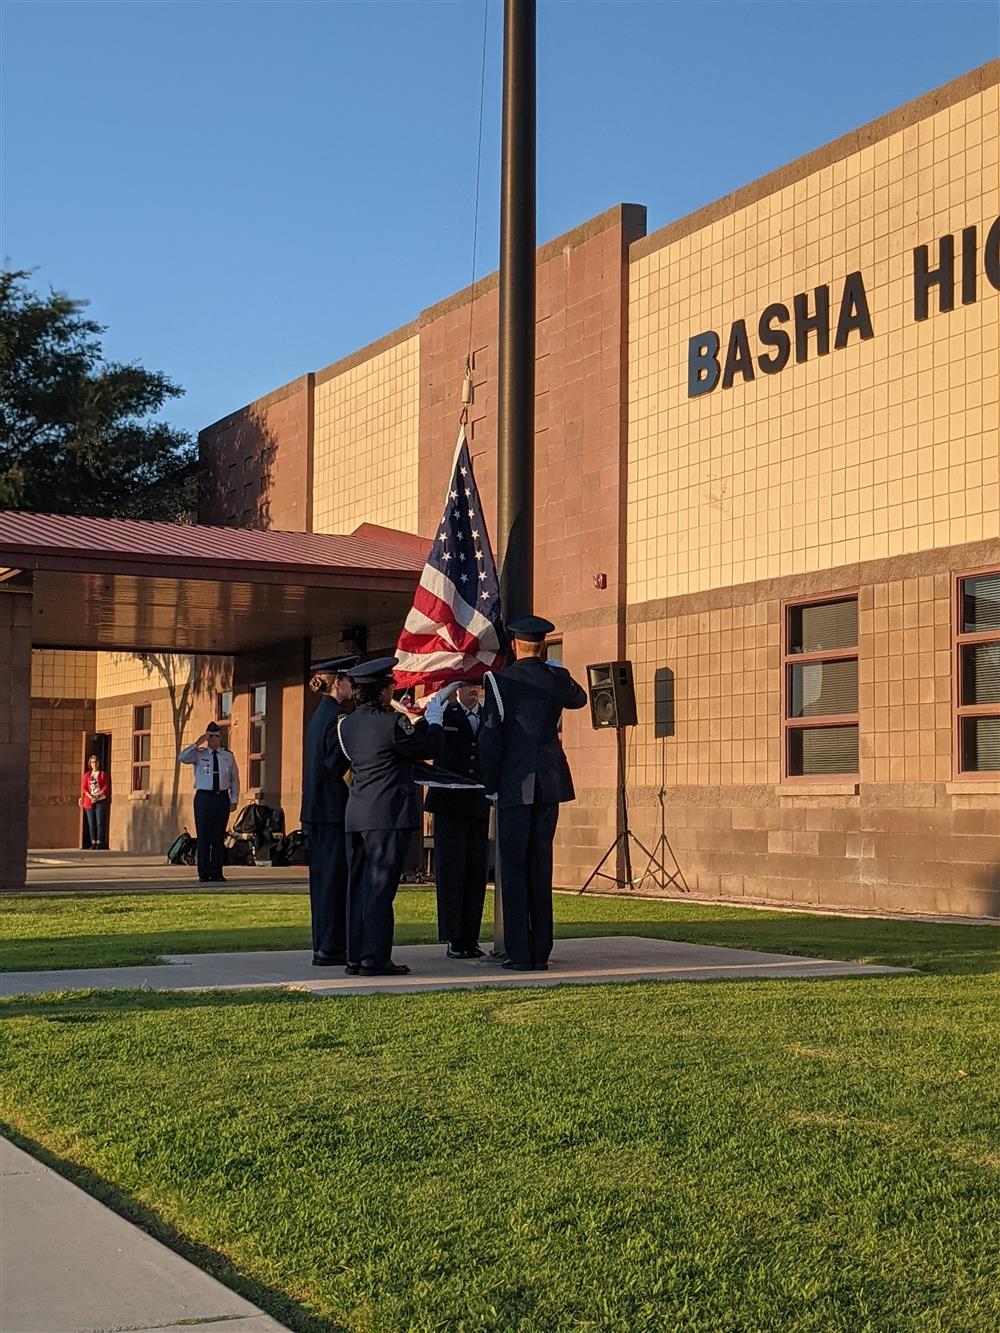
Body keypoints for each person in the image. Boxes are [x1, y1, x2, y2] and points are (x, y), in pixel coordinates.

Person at [478, 616, 588, 971]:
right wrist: (557, 670)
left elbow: (492, 736)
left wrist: (490, 783)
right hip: (550, 781)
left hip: (514, 781)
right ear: (542, 646)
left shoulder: (499, 680)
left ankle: (520, 952)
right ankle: (540, 949)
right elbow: (580, 699)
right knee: (540, 865)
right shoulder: (555, 678)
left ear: (514, 645)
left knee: (513, 866)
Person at [336, 658, 455, 976]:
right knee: (380, 888)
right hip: (387, 815)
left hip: (358, 813)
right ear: (381, 691)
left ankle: (355, 956)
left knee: (359, 887)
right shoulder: (391, 723)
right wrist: (434, 720)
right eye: (390, 685)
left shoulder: (346, 724)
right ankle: (375, 958)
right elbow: (424, 747)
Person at [424, 681, 490, 959]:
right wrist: (433, 713)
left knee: (476, 873)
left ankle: (470, 936)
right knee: (453, 872)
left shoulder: (487, 716)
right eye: (466, 685)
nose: (472, 689)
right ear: (456, 689)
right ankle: (454, 937)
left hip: (477, 802)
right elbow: (430, 747)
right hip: (449, 803)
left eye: (476, 684)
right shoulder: (444, 715)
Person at [300, 654, 357, 966]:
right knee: (333, 882)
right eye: (348, 680)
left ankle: (324, 944)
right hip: (332, 810)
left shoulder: (320, 715)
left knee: (323, 882)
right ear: (338, 682)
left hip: (318, 810)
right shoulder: (337, 719)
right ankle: (331, 946)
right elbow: (338, 764)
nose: (351, 686)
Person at [178, 722, 240, 884]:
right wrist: (197, 743)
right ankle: (204, 873)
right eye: (210, 736)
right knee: (204, 836)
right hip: (204, 798)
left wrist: (234, 800)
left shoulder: (228, 755)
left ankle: (217, 871)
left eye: (216, 736)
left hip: (221, 798)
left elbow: (234, 779)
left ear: (221, 737)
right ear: (206, 737)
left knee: (218, 837)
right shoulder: (199, 754)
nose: (213, 739)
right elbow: (182, 757)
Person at [79, 753, 110, 849]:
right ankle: (93, 842)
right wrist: (90, 796)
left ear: (98, 763)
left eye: (96, 762)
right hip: (89, 800)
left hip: (101, 800)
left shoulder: (103, 774)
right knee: (91, 823)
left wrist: (98, 795)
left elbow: (106, 786)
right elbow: (84, 788)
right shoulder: (87, 775)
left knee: (100, 822)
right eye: (92, 762)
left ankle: (99, 842)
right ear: (90, 764)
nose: (94, 764)